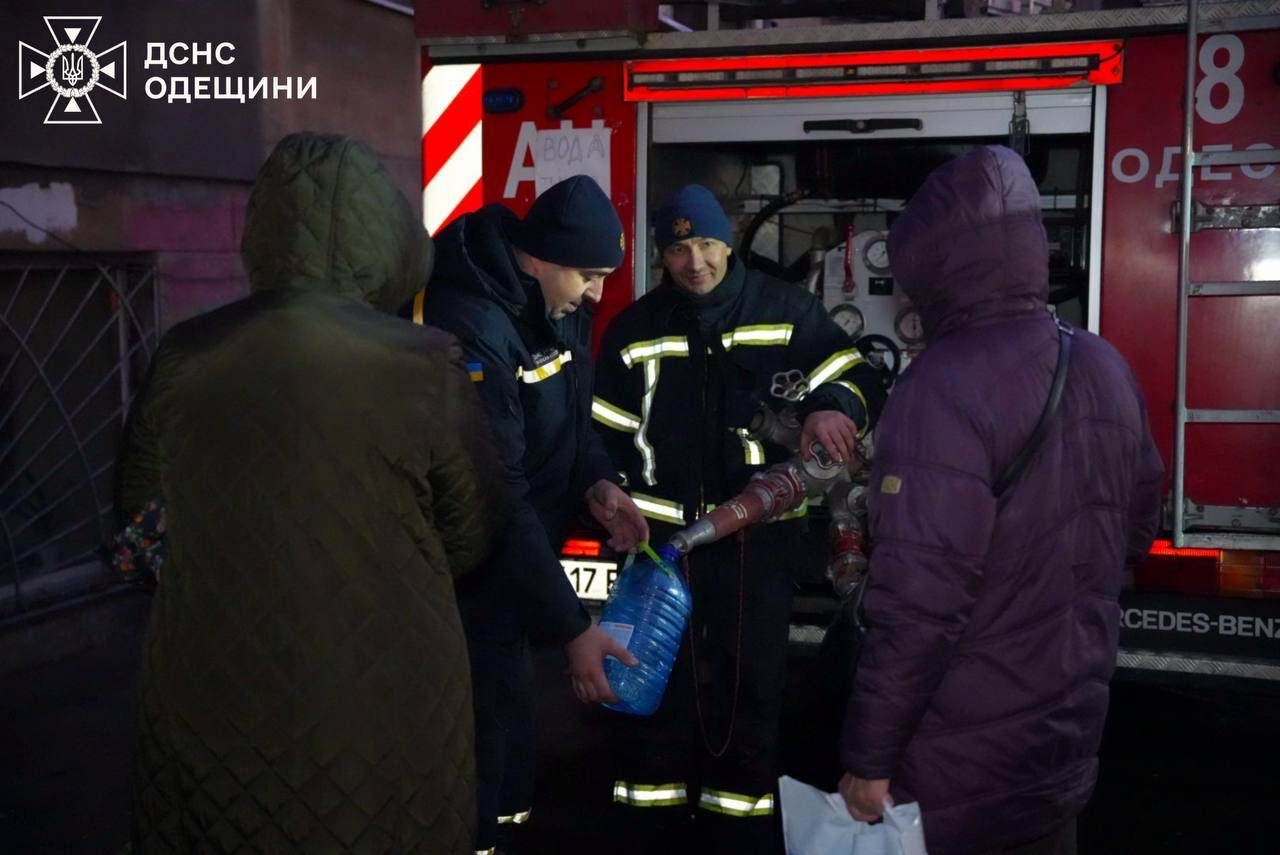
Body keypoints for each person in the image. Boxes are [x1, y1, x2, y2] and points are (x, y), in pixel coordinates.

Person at [116, 133, 508, 853]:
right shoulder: (426, 364)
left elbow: (137, 533)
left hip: (208, 692)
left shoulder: (186, 355)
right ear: (385, 238)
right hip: (387, 698)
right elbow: (474, 531)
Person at [837, 146, 1164, 855]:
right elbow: (1138, 523)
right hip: (1062, 741)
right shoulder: (1103, 362)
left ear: (938, 264)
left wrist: (868, 759)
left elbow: (918, 606)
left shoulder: (940, 387)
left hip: (962, 762)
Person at [591, 183, 888, 855]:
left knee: (748, 699)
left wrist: (831, 403)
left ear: (728, 242)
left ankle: (739, 837)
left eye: (706, 244)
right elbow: (600, 434)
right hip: (655, 554)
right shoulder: (635, 328)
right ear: (662, 255)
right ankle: (650, 834)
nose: (694, 262)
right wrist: (602, 491)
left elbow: (860, 374)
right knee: (649, 697)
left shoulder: (785, 311)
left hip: (757, 549)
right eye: (677, 248)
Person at [403, 174, 649, 855]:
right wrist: (573, 627)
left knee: (511, 738)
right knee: (477, 742)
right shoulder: (470, 322)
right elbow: (497, 491)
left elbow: (572, 420)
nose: (598, 292)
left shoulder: (557, 303)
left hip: (510, 572)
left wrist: (599, 482)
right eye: (589, 274)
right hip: (461, 579)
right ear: (538, 256)